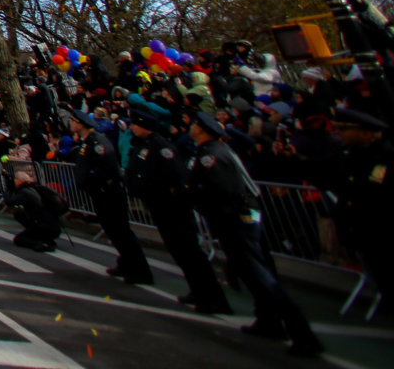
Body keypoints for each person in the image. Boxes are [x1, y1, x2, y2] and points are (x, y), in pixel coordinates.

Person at [188, 112, 322, 357]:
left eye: (195, 124)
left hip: (236, 220)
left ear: (203, 130)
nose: (191, 127)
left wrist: (199, 201)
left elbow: (224, 192)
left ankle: (302, 334)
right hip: (239, 218)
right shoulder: (214, 151)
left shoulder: (212, 155)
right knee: (253, 274)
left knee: (260, 276)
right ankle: (268, 321)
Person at [125, 104, 230, 314]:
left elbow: (175, 177)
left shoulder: (161, 146)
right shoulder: (144, 145)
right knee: (180, 252)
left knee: (190, 252)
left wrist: (166, 195)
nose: (132, 127)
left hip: (172, 206)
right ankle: (198, 290)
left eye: (135, 124)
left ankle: (214, 297)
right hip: (159, 205)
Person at [67, 109, 152, 284]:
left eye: (73, 121)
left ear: (80, 124)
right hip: (100, 192)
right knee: (114, 231)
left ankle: (141, 270)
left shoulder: (98, 143)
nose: (71, 123)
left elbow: (106, 169)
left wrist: (90, 181)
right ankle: (126, 263)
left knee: (121, 232)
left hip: (109, 193)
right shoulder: (88, 142)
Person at [328, 107, 391, 308]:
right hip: (364, 232)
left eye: (343, 129)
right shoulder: (353, 156)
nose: (337, 133)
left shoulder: (384, 156)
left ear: (364, 133)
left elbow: (371, 196)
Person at [5, 170, 63, 251]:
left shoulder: (25, 192)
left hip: (44, 225)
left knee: (19, 239)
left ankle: (39, 243)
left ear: (19, 181)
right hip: (55, 227)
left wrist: (7, 190)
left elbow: (10, 201)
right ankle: (45, 239)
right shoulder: (37, 188)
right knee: (19, 213)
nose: (14, 181)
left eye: (15, 179)